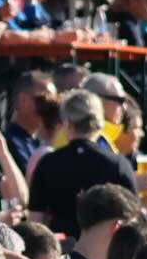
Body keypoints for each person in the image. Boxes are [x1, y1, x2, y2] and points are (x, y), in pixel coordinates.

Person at [27, 91, 137, 238]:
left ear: (67, 123)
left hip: (62, 251)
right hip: (105, 250)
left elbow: (36, 224)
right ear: (99, 123)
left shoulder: (48, 163)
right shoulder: (118, 164)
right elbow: (132, 220)